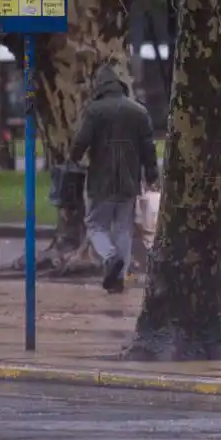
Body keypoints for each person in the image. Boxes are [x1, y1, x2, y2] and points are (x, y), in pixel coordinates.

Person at [70, 63, 159, 294]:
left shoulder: (94, 110)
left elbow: (81, 141)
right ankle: (118, 278)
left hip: (101, 179)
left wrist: (73, 160)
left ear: (99, 87)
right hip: (129, 179)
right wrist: (151, 174)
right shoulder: (138, 111)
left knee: (95, 224)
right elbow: (148, 147)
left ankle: (110, 257)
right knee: (123, 228)